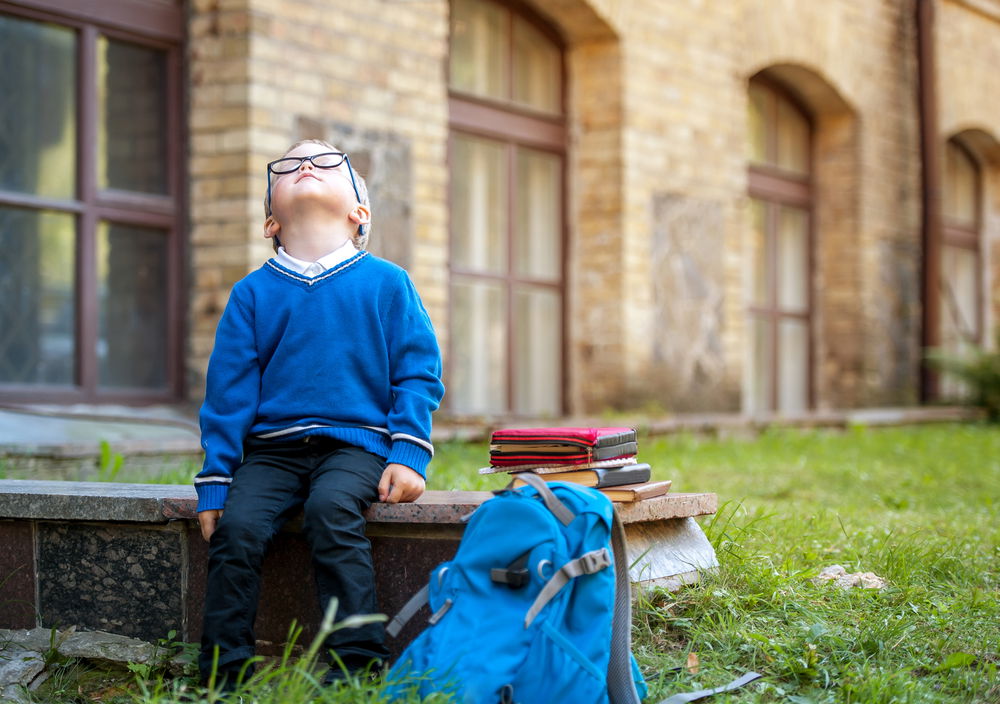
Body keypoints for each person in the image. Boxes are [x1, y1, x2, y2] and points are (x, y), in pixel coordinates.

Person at [193, 139, 445, 688]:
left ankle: (357, 667)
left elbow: (418, 373)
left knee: (331, 511)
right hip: (272, 451)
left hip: (357, 445)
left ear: (360, 213)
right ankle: (221, 676)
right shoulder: (251, 294)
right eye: (288, 166)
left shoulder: (388, 283)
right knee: (237, 530)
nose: (306, 165)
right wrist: (215, 482)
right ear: (270, 221)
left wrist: (408, 453)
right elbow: (228, 395)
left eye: (328, 162)